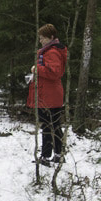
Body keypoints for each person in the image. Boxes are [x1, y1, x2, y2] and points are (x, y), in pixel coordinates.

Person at [27, 24, 68, 165]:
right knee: (54, 126)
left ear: (51, 37)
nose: (40, 41)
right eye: (40, 38)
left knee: (48, 126)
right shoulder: (50, 51)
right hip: (51, 95)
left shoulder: (52, 52)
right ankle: (58, 154)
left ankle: (46, 156)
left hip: (49, 96)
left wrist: (36, 69)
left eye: (43, 38)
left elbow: (54, 72)